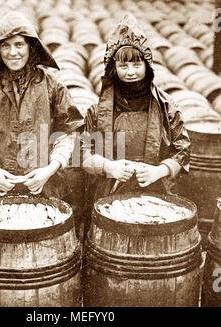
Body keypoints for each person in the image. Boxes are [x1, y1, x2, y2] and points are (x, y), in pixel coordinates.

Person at [0, 11, 84, 202]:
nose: (13, 53)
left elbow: (67, 133)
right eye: (6, 45)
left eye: (19, 45)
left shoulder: (52, 84)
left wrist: (49, 170)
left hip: (44, 186)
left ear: (31, 47)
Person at [81, 14, 191, 227]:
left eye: (136, 64)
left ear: (147, 66)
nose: (130, 72)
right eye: (123, 66)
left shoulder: (166, 107)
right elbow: (82, 154)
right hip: (108, 195)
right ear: (113, 69)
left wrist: (158, 171)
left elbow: (183, 150)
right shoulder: (97, 110)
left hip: (157, 192)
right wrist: (107, 166)